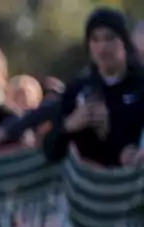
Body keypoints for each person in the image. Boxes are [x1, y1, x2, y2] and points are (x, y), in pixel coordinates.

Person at [46, 7, 144, 167]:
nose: (102, 47)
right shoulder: (77, 89)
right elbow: (50, 151)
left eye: (109, 38)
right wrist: (70, 125)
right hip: (88, 187)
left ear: (124, 42)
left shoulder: (140, 85)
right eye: (95, 39)